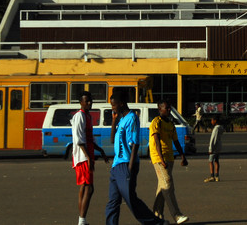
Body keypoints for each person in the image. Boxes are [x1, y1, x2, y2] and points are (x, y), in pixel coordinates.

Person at [105, 90, 167, 225]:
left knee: (130, 199)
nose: (112, 108)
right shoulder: (121, 119)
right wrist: (114, 121)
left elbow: (135, 144)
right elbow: (111, 140)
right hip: (116, 165)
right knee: (113, 201)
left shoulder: (132, 118)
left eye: (114, 105)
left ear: (121, 104)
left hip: (126, 164)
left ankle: (154, 222)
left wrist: (130, 168)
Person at [72, 91, 109, 225]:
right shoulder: (79, 116)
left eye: (90, 100)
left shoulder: (88, 116)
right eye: (86, 101)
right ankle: (82, 220)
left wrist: (101, 151)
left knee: (85, 186)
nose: (89, 103)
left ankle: (82, 219)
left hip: (88, 155)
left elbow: (89, 139)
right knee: (89, 188)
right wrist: (88, 157)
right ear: (80, 102)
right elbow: (79, 139)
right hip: (82, 157)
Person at [150, 99, 189, 224]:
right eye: (166, 108)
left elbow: (176, 141)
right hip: (158, 158)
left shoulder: (171, 124)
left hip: (170, 158)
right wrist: (161, 159)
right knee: (168, 184)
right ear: (160, 109)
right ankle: (177, 215)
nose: (168, 110)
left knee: (162, 186)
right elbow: (156, 142)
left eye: (169, 108)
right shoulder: (156, 122)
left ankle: (156, 216)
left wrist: (183, 156)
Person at [204, 116, 224, 183]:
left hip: (214, 147)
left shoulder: (216, 129)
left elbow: (213, 139)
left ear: (215, 121)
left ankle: (212, 176)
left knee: (210, 161)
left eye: (212, 120)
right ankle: (217, 176)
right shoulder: (220, 128)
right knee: (216, 161)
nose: (211, 122)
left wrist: (210, 149)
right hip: (218, 146)